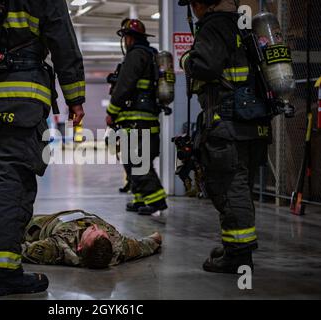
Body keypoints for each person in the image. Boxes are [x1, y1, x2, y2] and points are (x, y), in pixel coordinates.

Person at [0, 0, 85, 296]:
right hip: (22, 97)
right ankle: (2, 273)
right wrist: (75, 95)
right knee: (12, 180)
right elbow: (62, 37)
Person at [178, 0, 272, 273]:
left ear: (200, 4)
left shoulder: (214, 26)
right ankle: (235, 247)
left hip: (228, 125)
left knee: (230, 189)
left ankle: (239, 256)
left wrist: (187, 59)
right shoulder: (242, 26)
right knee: (241, 187)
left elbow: (205, 66)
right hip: (253, 125)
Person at [106, 18, 168, 216]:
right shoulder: (150, 55)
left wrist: (111, 112)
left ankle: (156, 200)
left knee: (137, 161)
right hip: (147, 118)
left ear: (129, 38)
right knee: (138, 160)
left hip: (135, 119)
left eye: (125, 38)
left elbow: (124, 86)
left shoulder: (135, 56)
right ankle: (141, 198)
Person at [21, 210, 162, 268]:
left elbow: (24, 251)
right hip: (71, 215)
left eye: (92, 232)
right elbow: (146, 245)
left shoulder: (58, 247)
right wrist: (156, 238)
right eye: (101, 232)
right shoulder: (119, 247)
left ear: (80, 247)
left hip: (43, 222)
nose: (95, 227)